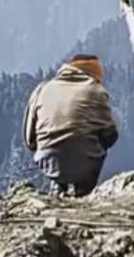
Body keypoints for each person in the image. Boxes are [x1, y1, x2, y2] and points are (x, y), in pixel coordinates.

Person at [23, 53, 119, 196]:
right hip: (85, 162)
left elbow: (29, 139)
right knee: (94, 143)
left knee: (56, 154)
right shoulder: (95, 90)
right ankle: (85, 191)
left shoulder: (42, 90)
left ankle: (57, 186)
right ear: (95, 74)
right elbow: (111, 135)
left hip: (47, 159)